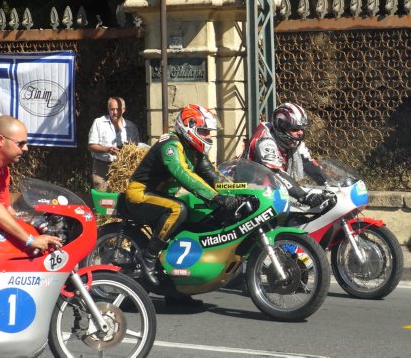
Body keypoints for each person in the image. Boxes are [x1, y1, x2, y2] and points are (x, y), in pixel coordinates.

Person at [125, 104, 238, 305]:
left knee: (192, 220)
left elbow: (213, 176)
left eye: (208, 132)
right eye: (204, 131)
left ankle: (176, 292)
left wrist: (236, 192)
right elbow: (183, 174)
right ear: (189, 127)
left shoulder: (194, 150)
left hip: (160, 195)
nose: (209, 137)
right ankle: (148, 256)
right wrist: (214, 197)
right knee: (178, 209)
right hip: (141, 193)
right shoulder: (171, 144)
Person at [0, 115, 62, 251]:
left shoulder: (3, 171)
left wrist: (35, 224)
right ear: (0, 140)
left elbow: (7, 210)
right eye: (20, 143)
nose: (26, 149)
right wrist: (30, 239)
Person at [242, 102, 327, 207]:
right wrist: (303, 196)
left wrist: (328, 184)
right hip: (250, 192)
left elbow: (307, 162)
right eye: (295, 129)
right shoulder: (264, 140)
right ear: (281, 127)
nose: (300, 133)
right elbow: (275, 173)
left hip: (270, 189)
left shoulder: (293, 141)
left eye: (301, 128)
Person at [88, 96, 140, 191]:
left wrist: (129, 147)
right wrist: (107, 149)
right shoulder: (99, 122)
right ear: (108, 109)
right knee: (103, 198)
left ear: (123, 109)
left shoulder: (131, 127)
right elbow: (91, 146)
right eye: (112, 109)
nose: (115, 112)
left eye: (118, 109)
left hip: (123, 168)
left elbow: (136, 149)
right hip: (102, 168)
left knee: (120, 198)